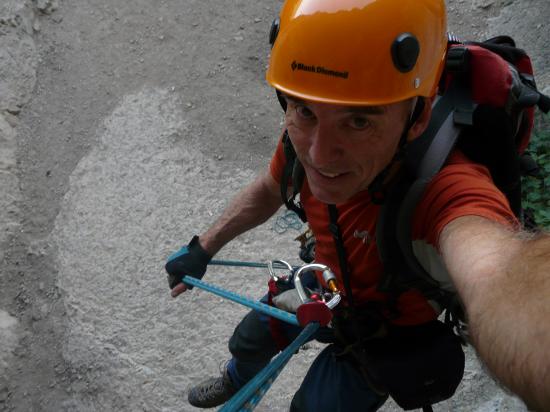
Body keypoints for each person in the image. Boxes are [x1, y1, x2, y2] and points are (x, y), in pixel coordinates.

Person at [165, 0, 550, 410]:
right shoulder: (304, 142)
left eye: (360, 121)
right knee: (247, 341)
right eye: (304, 111)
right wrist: (204, 246)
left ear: (416, 118)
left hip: (383, 332)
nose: (319, 155)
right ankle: (238, 379)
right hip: (324, 283)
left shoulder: (446, 188)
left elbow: (496, 271)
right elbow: (270, 187)